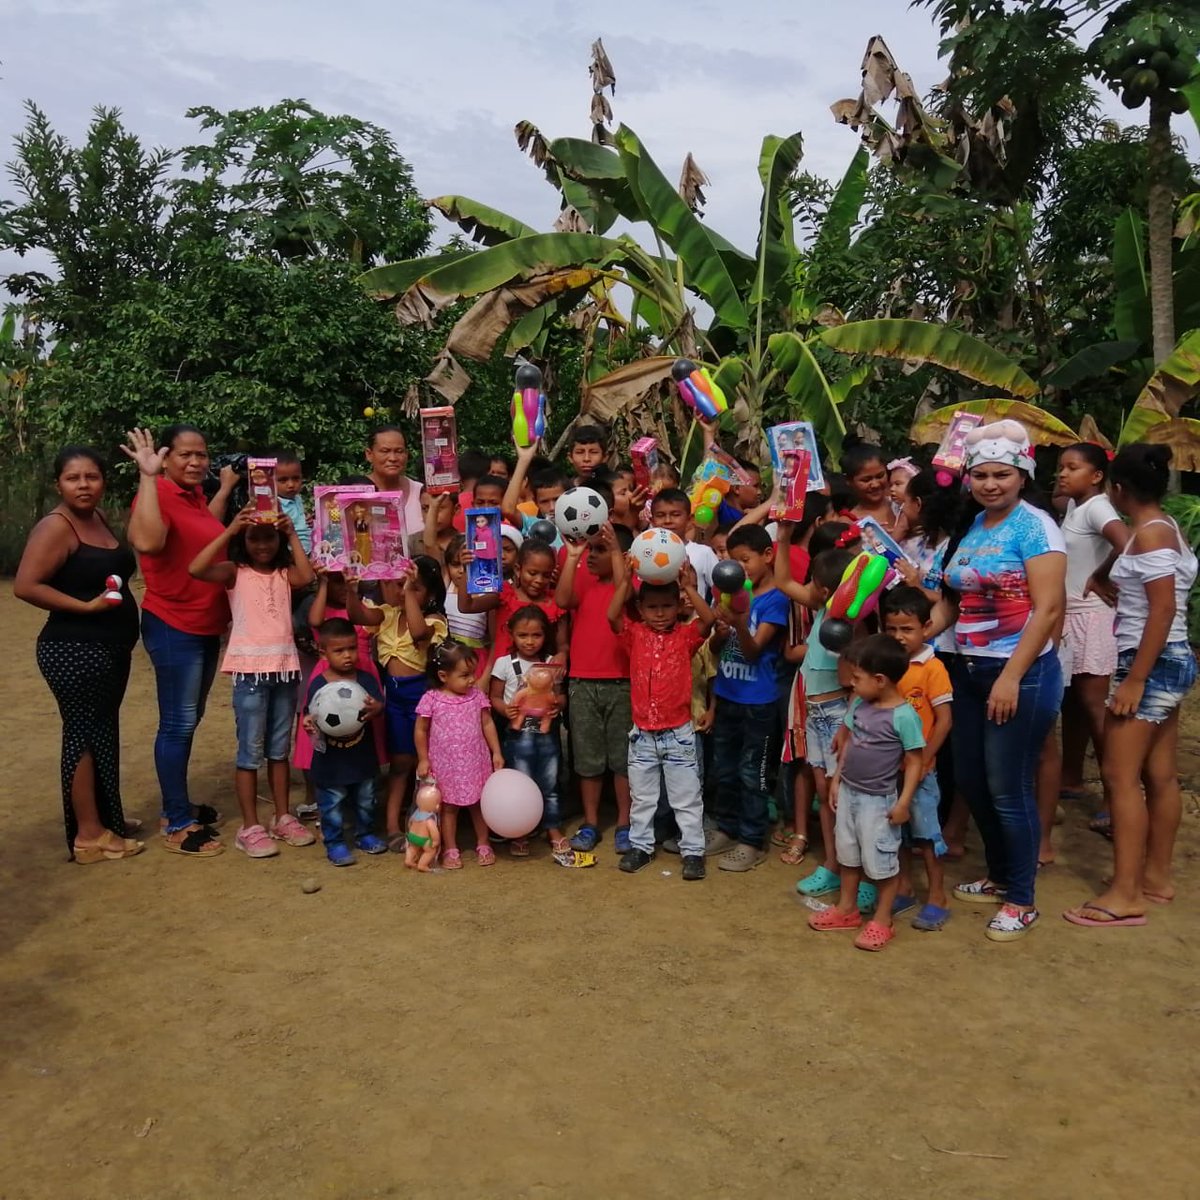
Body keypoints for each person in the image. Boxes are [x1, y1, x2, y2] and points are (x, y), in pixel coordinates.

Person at [934, 420, 1065, 943]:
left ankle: (1022, 898)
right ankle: (1000, 874)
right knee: (970, 777)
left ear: (1023, 475)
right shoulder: (976, 526)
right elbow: (956, 599)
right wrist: (923, 634)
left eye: (1002, 475)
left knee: (1009, 788)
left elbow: (1049, 607)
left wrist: (1011, 676)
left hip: (1020, 673)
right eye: (981, 475)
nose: (991, 484)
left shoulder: (1036, 527)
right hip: (968, 669)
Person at [1065, 445, 1197, 927]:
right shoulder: (1162, 531)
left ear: (1116, 489)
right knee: (1159, 775)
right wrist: (1103, 576)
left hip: (1150, 662)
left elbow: (1161, 609)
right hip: (1170, 659)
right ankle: (1156, 877)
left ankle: (1125, 893)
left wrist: (1135, 679)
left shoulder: (1151, 538)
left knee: (1122, 779)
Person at [15, 446, 143, 862]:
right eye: (74, 478)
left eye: (92, 477)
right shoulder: (56, 526)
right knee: (83, 737)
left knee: (101, 732)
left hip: (108, 647)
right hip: (73, 649)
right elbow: (27, 585)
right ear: (59, 484)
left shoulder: (99, 518)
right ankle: (89, 834)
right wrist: (85, 607)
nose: (84, 485)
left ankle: (106, 817)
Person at [123, 425, 238, 857]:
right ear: (166, 458)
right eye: (185, 455)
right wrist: (147, 476)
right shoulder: (154, 493)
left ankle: (179, 803)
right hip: (174, 625)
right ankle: (176, 821)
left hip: (204, 624)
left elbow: (202, 530)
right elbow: (149, 542)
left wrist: (224, 490)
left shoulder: (191, 498)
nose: (195, 462)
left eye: (201, 455)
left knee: (188, 719)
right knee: (177, 723)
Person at [188, 507, 317, 858]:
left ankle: (282, 816)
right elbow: (196, 568)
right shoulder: (235, 572)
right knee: (250, 752)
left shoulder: (284, 573)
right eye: (254, 537)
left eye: (269, 537)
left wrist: (292, 534)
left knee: (279, 751)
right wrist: (230, 529)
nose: (262, 544)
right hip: (249, 673)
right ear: (243, 541)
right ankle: (249, 826)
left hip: (284, 669)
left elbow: (306, 575)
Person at [807, 635, 925, 951]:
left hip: (879, 802)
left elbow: (915, 762)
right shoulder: (859, 703)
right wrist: (837, 780)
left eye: (856, 678)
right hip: (849, 795)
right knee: (848, 854)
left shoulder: (903, 716)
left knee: (881, 864)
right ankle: (847, 909)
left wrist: (903, 802)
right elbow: (848, 742)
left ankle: (883, 920)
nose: (851, 684)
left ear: (880, 680)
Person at [607, 560, 717, 881]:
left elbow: (708, 619)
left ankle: (693, 852)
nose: (659, 613)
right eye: (652, 607)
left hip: (679, 733)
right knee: (643, 797)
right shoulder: (635, 635)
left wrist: (688, 588)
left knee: (686, 798)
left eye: (667, 606)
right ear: (640, 609)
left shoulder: (685, 637)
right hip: (642, 734)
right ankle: (641, 846)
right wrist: (626, 581)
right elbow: (612, 616)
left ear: (678, 606)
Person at [347, 557, 447, 850]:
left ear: (429, 595)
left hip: (422, 699)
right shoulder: (387, 614)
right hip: (395, 699)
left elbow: (418, 634)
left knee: (427, 764)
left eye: (416, 588)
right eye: (401, 585)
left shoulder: (435, 621)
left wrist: (407, 593)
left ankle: (430, 825)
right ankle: (392, 827)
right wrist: (353, 591)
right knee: (401, 763)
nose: (405, 592)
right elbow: (358, 617)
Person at [1054, 443, 1128, 832]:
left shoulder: (1097, 506)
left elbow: (1126, 541)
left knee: (1095, 707)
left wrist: (1102, 574)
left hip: (1091, 617)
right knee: (1072, 702)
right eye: (1061, 467)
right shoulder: (1075, 506)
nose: (1063, 474)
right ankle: (1071, 778)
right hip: (1071, 616)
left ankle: (1118, 796)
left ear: (1097, 476)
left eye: (1073, 467)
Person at [707, 525, 790, 872]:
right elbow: (715, 648)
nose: (740, 568)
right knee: (722, 767)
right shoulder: (727, 593)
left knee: (751, 772)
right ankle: (726, 826)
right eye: (734, 560)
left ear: (768, 556)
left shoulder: (776, 600)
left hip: (759, 701)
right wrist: (720, 631)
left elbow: (755, 651)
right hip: (727, 695)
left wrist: (740, 623)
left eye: (746, 560)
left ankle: (752, 839)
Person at [490, 606, 592, 866]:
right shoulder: (503, 663)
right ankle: (519, 830)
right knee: (519, 784)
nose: (529, 641)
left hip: (547, 736)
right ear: (511, 634)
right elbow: (494, 697)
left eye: (536, 635)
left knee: (549, 783)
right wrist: (505, 708)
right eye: (523, 635)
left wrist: (558, 704)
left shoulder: (551, 664)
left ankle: (553, 828)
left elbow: (560, 695)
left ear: (544, 636)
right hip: (517, 736)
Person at [555, 524, 634, 854]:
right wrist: (573, 557)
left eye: (599, 551)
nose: (592, 556)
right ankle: (590, 822)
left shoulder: (631, 581)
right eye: (592, 550)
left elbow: (624, 591)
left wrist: (616, 551)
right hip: (582, 681)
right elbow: (561, 599)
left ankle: (625, 824)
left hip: (621, 682)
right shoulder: (584, 581)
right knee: (587, 761)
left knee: (622, 760)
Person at [881, 587, 953, 931]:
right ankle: (905, 887)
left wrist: (924, 759)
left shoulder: (932, 668)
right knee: (898, 834)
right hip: (888, 769)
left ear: (926, 627)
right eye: (891, 629)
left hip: (920, 771)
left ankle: (937, 896)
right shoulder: (886, 664)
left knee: (926, 836)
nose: (898, 636)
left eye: (907, 629)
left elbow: (944, 720)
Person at [302, 618, 387, 865]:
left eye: (352, 648)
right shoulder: (319, 685)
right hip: (331, 761)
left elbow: (379, 706)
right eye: (339, 651)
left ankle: (365, 834)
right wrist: (309, 722)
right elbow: (311, 714)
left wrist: (376, 708)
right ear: (323, 652)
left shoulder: (366, 680)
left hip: (362, 757)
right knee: (331, 804)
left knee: (366, 799)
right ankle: (335, 842)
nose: (348, 656)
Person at [415, 640, 506, 868]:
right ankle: (451, 848)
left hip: (476, 761)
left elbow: (487, 724)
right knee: (448, 808)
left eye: (472, 673)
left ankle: (484, 843)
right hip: (446, 766)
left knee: (479, 804)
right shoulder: (432, 699)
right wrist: (423, 758)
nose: (472, 679)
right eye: (465, 675)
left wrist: (496, 751)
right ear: (444, 676)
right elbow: (420, 729)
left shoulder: (476, 696)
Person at [649, 487, 719, 600]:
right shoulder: (646, 552)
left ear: (689, 519)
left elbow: (721, 589)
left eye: (675, 515)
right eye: (660, 515)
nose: (668, 521)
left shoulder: (704, 552)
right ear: (652, 521)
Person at [364, 425, 424, 549]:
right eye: (385, 451)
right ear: (369, 454)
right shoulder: (354, 494)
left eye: (399, 451)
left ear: (406, 455)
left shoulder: (421, 493)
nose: (393, 458)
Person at [842, 440, 902, 536]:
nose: (875, 484)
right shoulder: (847, 523)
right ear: (849, 481)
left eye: (880, 476)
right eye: (866, 480)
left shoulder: (902, 503)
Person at [274, 451, 310, 554]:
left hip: (307, 551)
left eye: (296, 478)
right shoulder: (274, 504)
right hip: (289, 554)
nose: (291, 484)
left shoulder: (297, 498)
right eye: (283, 480)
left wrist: (306, 520)